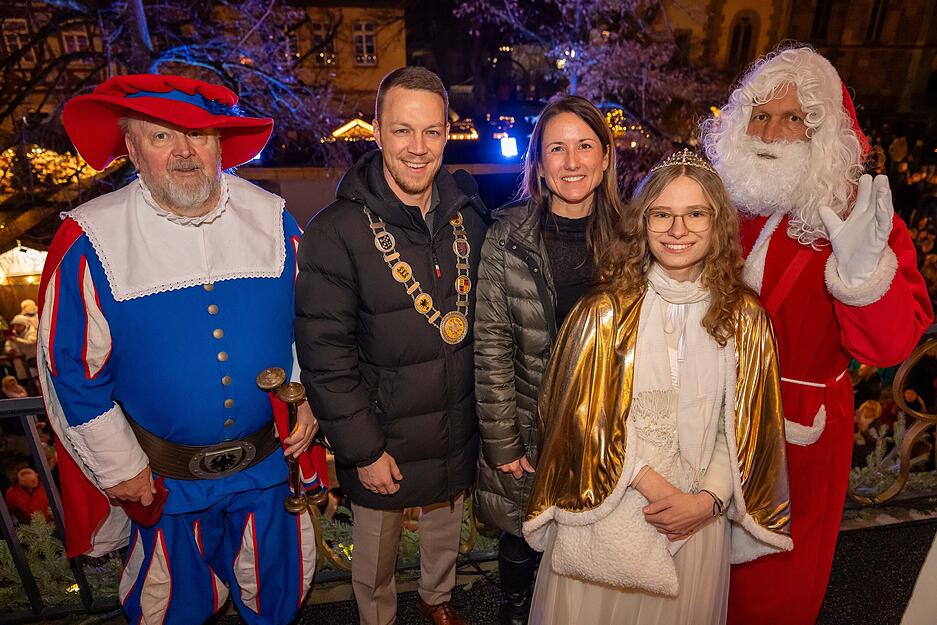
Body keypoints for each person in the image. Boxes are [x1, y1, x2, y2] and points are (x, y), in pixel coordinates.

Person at [39, 74, 322, 625]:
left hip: (266, 468)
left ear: (219, 144)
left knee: (277, 592)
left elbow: (312, 323)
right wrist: (119, 465)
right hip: (164, 479)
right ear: (131, 147)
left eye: (198, 134)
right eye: (162, 136)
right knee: (173, 603)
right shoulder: (90, 236)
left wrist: (306, 394)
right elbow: (69, 367)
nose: (185, 152)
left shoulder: (271, 216)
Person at [700, 45, 933, 625]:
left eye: (794, 118)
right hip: (703, 422)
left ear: (825, 132)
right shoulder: (720, 203)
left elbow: (890, 348)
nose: (772, 132)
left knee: (768, 594)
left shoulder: (858, 220)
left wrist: (863, 279)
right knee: (697, 581)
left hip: (793, 436)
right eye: (760, 115)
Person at [522, 150, 791, 625]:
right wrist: (654, 485)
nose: (678, 229)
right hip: (611, 509)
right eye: (662, 214)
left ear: (718, 223)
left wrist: (707, 499)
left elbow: (746, 427)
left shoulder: (745, 318)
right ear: (642, 223)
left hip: (696, 523)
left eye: (695, 214)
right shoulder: (604, 311)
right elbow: (579, 421)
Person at [295, 67, 488, 625]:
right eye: (403, 130)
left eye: (431, 131)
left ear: (447, 134)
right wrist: (362, 449)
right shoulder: (335, 231)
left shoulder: (469, 216)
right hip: (381, 433)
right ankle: (376, 617)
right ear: (376, 130)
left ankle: (437, 598)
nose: (418, 148)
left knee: (443, 532)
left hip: (453, 424)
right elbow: (325, 354)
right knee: (375, 557)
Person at [473, 94, 624, 625]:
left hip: (608, 425)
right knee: (522, 536)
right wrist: (502, 441)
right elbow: (490, 346)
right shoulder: (506, 236)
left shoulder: (633, 237)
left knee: (592, 539)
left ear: (606, 156)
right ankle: (515, 612)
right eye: (557, 149)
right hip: (528, 419)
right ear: (538, 162)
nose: (573, 161)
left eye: (585, 146)